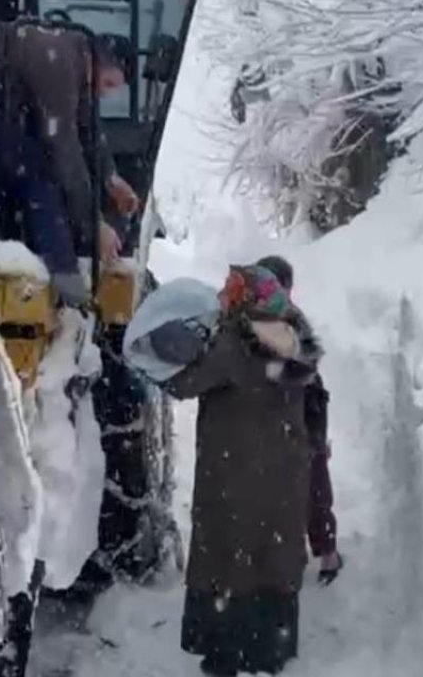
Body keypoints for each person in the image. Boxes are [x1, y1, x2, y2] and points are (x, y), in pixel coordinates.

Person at [164, 264, 324, 676]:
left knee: (227, 558)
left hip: (232, 475)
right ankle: (268, 649)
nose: (223, 295)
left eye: (231, 290)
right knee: (272, 559)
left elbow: (180, 384)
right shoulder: (292, 336)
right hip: (284, 477)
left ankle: (224, 651)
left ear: (246, 299)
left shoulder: (233, 344)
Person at [0, 24, 139, 304]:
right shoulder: (60, 61)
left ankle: (66, 279)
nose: (105, 94)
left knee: (47, 172)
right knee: (45, 178)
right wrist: (95, 226)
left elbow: (87, 130)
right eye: (108, 83)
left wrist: (111, 179)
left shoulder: (77, 65)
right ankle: (69, 290)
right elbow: (64, 146)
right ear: (97, 59)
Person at [255, 255, 345, 584]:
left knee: (307, 484)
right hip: (286, 415)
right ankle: (317, 554)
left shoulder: (282, 320)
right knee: (303, 487)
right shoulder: (266, 319)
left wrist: (274, 372)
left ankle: (323, 554)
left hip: (299, 414)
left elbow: (307, 361)